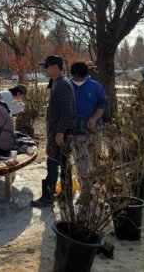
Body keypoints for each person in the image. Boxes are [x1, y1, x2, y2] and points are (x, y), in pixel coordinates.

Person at [31, 55, 75, 208]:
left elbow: (67, 110)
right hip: (57, 130)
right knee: (63, 162)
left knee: (52, 162)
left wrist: (60, 132)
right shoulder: (57, 82)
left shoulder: (62, 84)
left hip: (59, 132)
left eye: (47, 65)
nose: (45, 68)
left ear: (56, 66)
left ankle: (48, 197)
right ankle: (66, 192)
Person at [69, 61, 107, 199]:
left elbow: (102, 104)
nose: (78, 80)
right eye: (75, 77)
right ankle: (86, 193)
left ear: (86, 75)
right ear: (72, 75)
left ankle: (96, 187)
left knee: (95, 159)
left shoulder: (95, 86)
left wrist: (94, 118)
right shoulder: (68, 86)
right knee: (81, 163)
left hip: (94, 130)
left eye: (81, 77)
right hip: (76, 132)